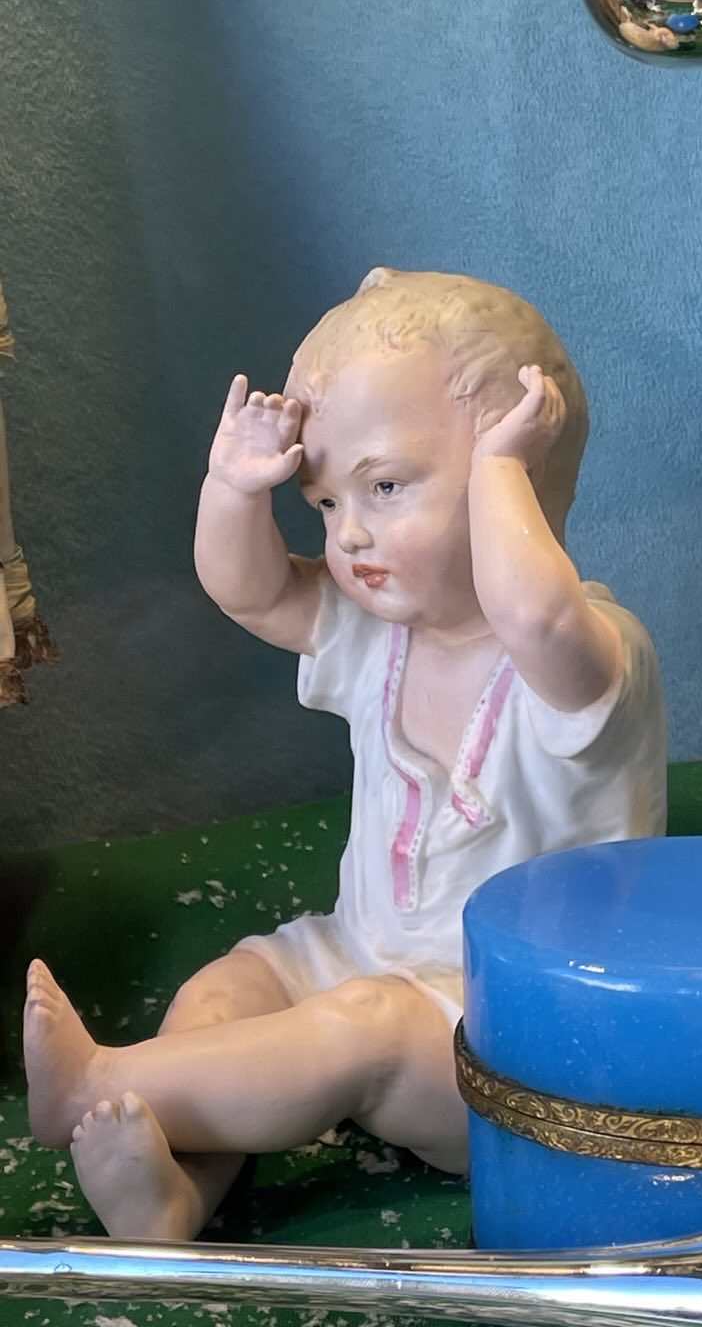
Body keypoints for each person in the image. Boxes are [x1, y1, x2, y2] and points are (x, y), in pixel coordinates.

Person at [23, 269, 667, 1242]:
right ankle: (176, 1196)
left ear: (523, 476)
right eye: (325, 502)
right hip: (356, 956)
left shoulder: (588, 659)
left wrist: (499, 474)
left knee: (367, 1025)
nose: (349, 533)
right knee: (226, 992)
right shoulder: (380, 632)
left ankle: (96, 1082)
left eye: (386, 485)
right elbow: (250, 591)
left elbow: (534, 612)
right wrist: (235, 486)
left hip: (512, 1046)